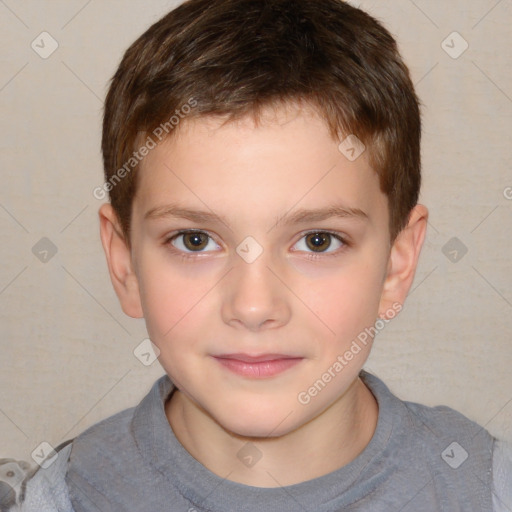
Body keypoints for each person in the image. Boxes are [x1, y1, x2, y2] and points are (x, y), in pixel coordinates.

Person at [8, 0, 511, 510]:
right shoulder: (60, 498)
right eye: (195, 240)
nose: (253, 306)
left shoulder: (486, 488)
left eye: (318, 241)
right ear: (124, 263)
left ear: (397, 264)